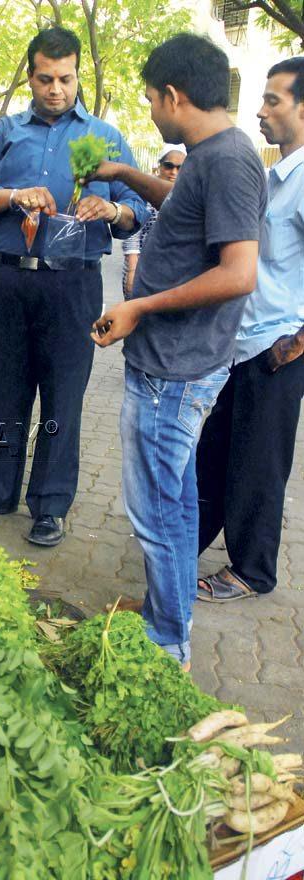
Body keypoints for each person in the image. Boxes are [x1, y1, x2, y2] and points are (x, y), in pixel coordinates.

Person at [88, 33, 267, 667]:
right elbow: (186, 211)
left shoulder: (228, 159)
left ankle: (167, 646)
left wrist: (138, 306)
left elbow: (239, 272)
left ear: (173, 94)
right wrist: (127, 175)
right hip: (173, 363)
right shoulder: (209, 154)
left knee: (156, 510)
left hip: (177, 369)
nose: (150, 109)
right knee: (176, 498)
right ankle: (172, 617)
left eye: (150, 99)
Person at [0, 26, 147, 547]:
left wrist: (113, 208)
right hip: (7, 279)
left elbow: (139, 208)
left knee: (63, 400)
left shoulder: (102, 138)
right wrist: (12, 197)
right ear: (30, 77)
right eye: (44, 79)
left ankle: (50, 506)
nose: (55, 88)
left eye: (65, 78)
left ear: (77, 74)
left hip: (72, 286)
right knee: (7, 391)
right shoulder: (8, 131)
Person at [196, 57, 304, 603]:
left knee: (258, 467)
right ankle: (184, 540)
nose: (260, 110)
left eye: (274, 100)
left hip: (277, 350)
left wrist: (295, 345)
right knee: (216, 452)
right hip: (245, 345)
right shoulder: (274, 177)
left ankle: (253, 571)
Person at [121, 144, 185, 298]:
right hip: (142, 270)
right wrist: (132, 270)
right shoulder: (146, 191)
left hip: (175, 274)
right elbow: (132, 232)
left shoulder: (188, 196)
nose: (173, 172)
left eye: (180, 167)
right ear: (160, 166)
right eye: (168, 166)